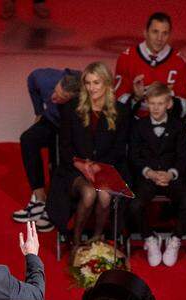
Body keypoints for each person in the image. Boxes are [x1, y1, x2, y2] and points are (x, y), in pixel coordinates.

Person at [44, 61, 130, 246]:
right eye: (88, 83)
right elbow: (64, 148)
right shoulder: (71, 108)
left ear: (107, 83)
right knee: (90, 193)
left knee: (105, 195)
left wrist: (98, 167)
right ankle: (75, 241)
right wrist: (82, 165)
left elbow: (119, 148)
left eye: (96, 83)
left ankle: (96, 239)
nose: (91, 88)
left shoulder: (120, 112)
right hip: (74, 169)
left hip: (106, 167)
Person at [127, 83, 186, 267]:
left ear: (169, 104)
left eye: (160, 103)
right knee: (134, 205)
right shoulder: (139, 126)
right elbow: (134, 156)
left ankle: (175, 239)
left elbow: (182, 157)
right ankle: (149, 238)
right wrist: (149, 172)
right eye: (152, 103)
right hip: (148, 177)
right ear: (146, 103)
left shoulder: (179, 126)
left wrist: (171, 174)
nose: (156, 108)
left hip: (171, 177)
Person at [11, 68, 80, 229]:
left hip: (69, 125)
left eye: (60, 97)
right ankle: (39, 198)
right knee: (28, 139)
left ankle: (53, 209)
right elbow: (31, 80)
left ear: (72, 98)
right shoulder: (43, 79)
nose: (53, 98)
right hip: (50, 119)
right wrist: (39, 111)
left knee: (58, 159)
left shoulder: (83, 96)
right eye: (55, 92)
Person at [113, 12, 186, 119]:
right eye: (155, 32)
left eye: (164, 33)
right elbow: (117, 103)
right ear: (145, 33)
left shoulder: (180, 62)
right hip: (134, 125)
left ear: (169, 35)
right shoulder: (126, 58)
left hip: (168, 126)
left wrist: (169, 102)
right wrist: (137, 98)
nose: (159, 38)